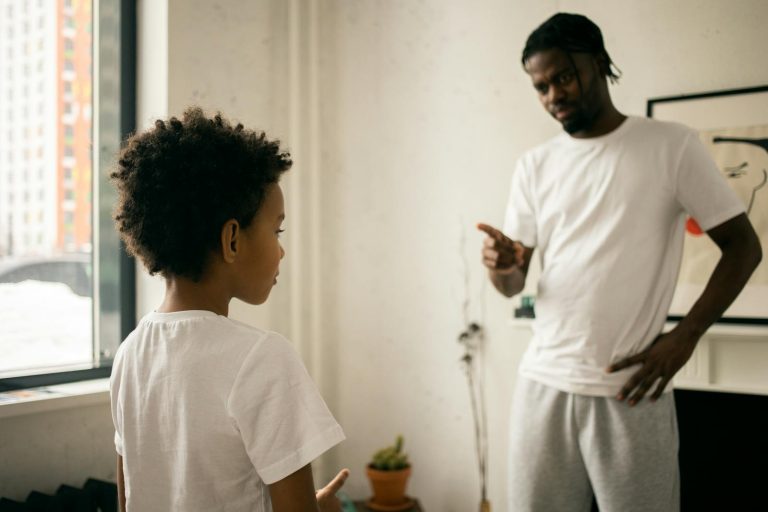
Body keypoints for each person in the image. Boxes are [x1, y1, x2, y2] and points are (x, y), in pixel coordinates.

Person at [478, 13, 762, 512]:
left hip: (630, 388)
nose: (553, 96)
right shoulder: (535, 165)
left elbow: (744, 247)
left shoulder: (672, 146)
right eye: (540, 86)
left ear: (600, 63)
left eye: (563, 77)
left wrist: (684, 338)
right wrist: (502, 266)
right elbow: (513, 282)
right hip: (542, 383)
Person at [110, 108, 348, 512]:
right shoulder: (262, 359)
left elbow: (128, 501)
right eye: (277, 230)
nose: (282, 249)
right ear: (232, 239)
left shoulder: (129, 354)